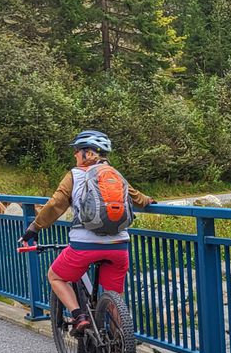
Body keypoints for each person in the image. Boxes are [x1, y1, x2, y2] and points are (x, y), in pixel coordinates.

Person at [20, 130, 154, 334]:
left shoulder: (74, 175)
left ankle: (79, 316)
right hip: (119, 246)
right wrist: (149, 201)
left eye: (77, 151)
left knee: (55, 276)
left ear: (87, 153)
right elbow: (138, 198)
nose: (74, 155)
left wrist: (34, 227)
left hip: (84, 246)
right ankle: (119, 344)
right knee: (114, 295)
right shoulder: (114, 174)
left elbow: (56, 204)